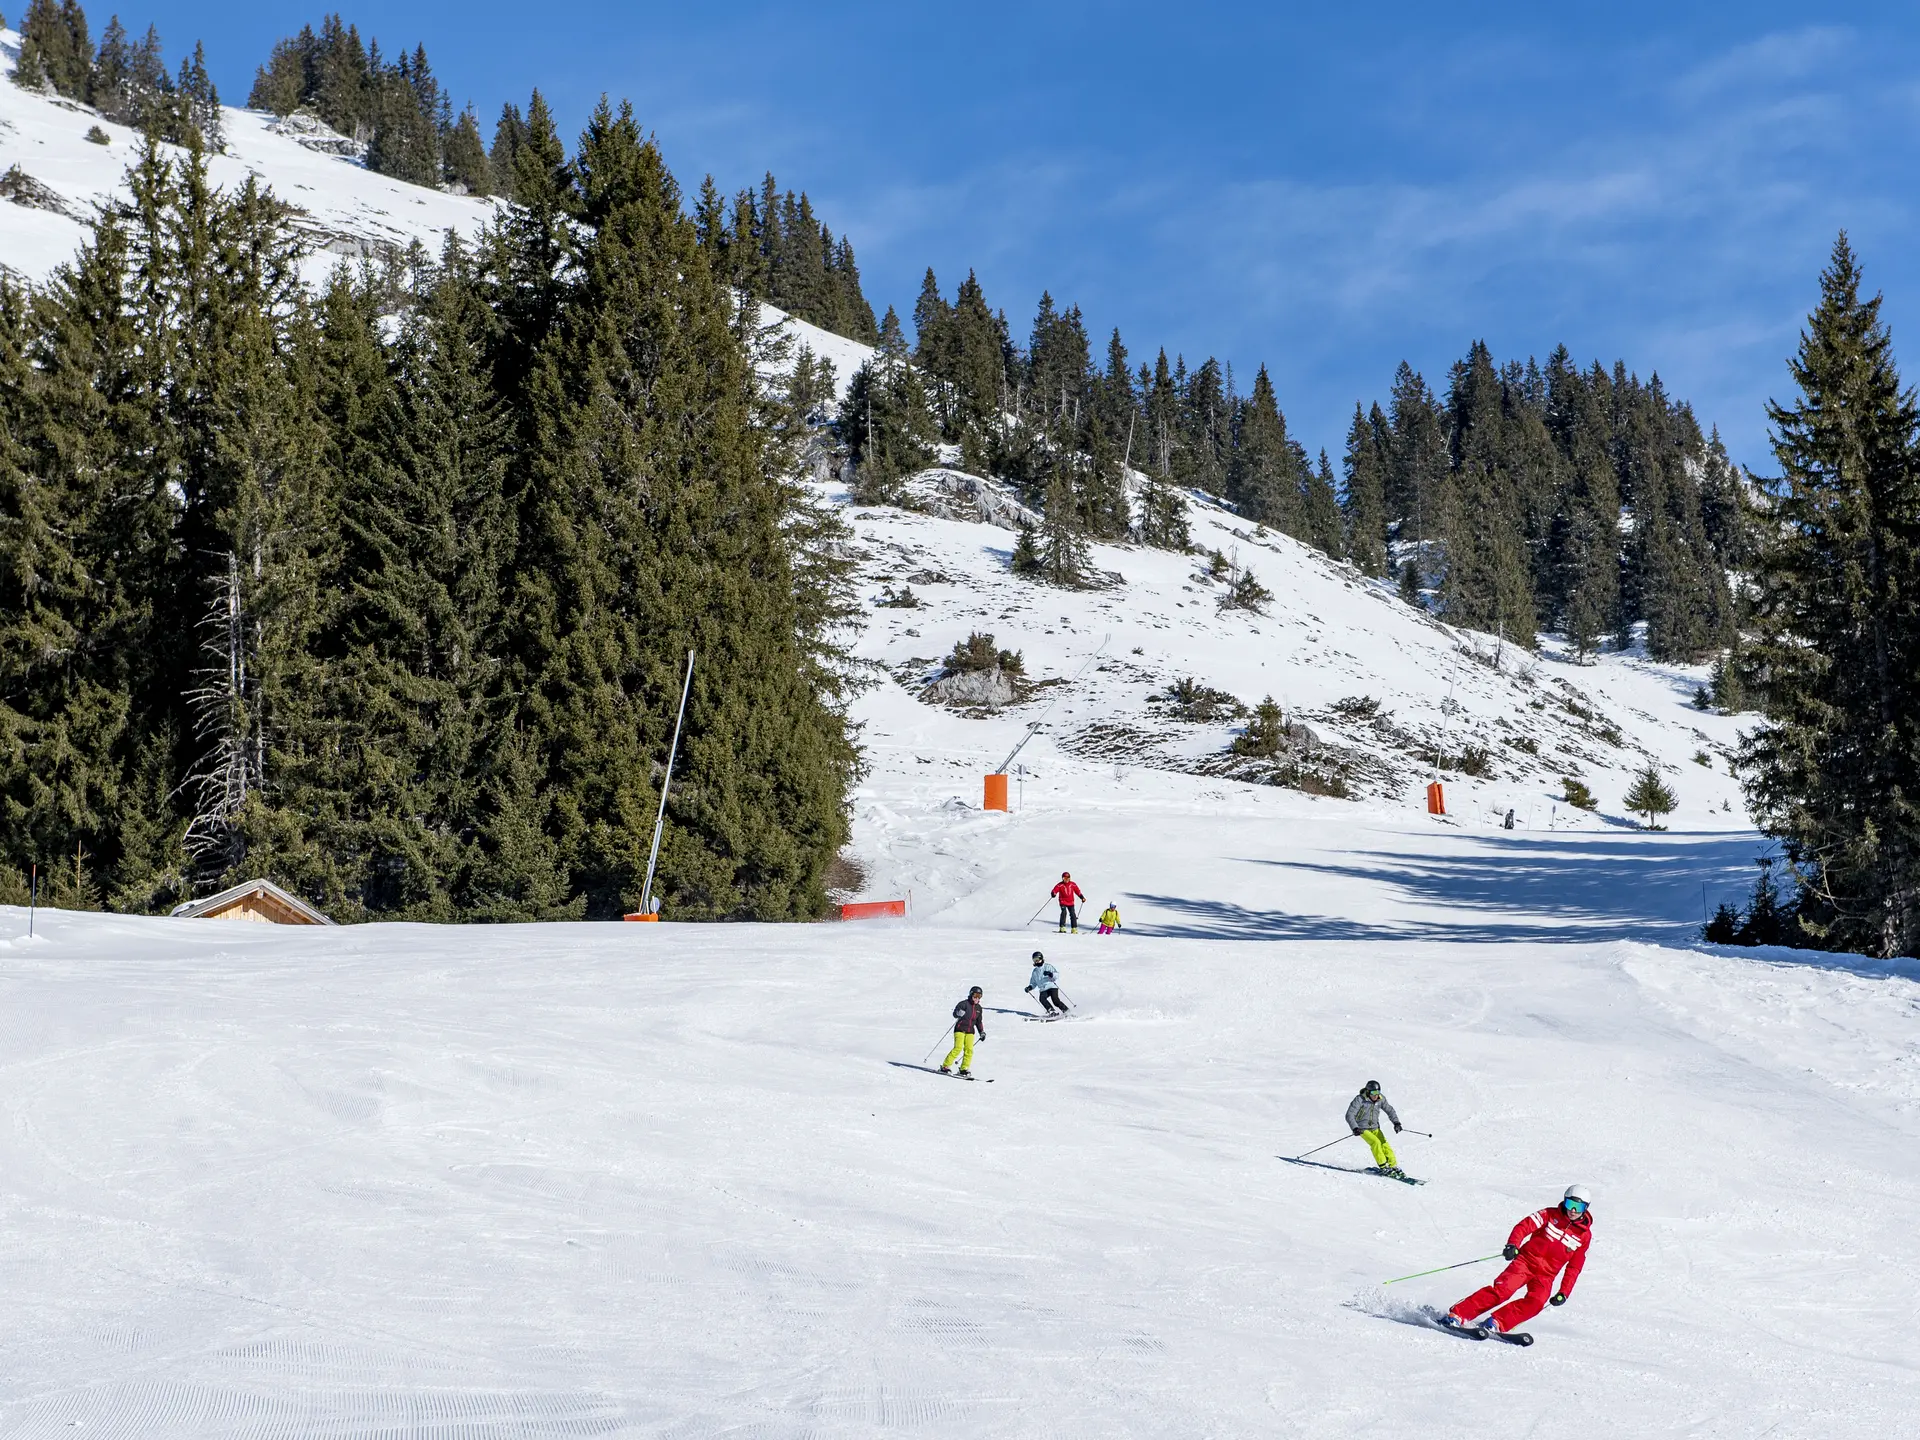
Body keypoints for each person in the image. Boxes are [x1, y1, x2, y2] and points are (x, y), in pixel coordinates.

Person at [1446, 1185, 1595, 1334]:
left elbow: (1574, 1267)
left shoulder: (1584, 1236)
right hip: (1526, 1262)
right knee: (1502, 1290)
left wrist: (1564, 1292)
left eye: (1578, 1206)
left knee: (1536, 1303)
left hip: (1546, 1275)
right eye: (1570, 1204)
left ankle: (1497, 1322)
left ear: (1586, 1208)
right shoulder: (1549, 1214)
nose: (1573, 1210)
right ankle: (1458, 1314)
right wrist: (1513, 1245)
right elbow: (1524, 1226)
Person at [1344, 1080, 1405, 1178]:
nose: (1375, 1095)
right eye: (1373, 1093)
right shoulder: (1359, 1099)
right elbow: (1349, 1115)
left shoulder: (1381, 1099)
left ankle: (1393, 1166)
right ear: (1368, 1092)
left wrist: (1396, 1123)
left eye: (1378, 1093)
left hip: (1375, 1128)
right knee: (1375, 1142)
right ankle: (1383, 1166)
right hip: (1362, 1129)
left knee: (1384, 1144)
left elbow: (1390, 1110)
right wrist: (1355, 1128)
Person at [940, 986, 987, 1076]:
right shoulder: (963, 1004)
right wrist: (958, 1013)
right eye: (975, 995)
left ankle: (964, 1069)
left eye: (979, 996)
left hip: (970, 1031)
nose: (977, 998)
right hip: (960, 1029)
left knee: (969, 1050)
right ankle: (945, 1066)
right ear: (971, 995)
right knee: (958, 1048)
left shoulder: (979, 1008)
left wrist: (982, 1032)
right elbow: (955, 1014)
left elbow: (978, 1022)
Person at [1025, 951, 1068, 1016]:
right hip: (1043, 989)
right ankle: (1052, 1011)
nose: (1036, 961)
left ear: (1041, 959)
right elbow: (1033, 982)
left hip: (1051, 987)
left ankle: (1067, 1011)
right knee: (1042, 999)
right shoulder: (1035, 971)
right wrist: (1029, 987)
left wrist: (1050, 974)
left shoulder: (1048, 966)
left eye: (1037, 959)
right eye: (1034, 960)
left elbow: (1056, 975)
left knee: (1055, 1001)